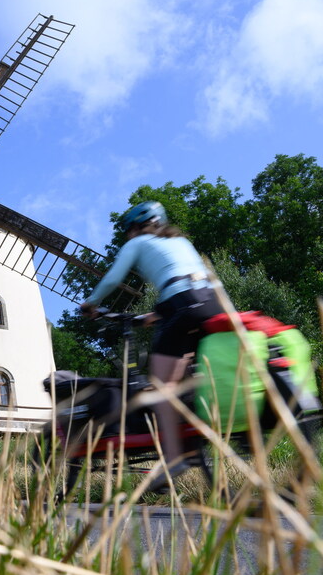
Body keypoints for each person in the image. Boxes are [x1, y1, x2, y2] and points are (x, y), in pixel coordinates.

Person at [79, 200, 222, 492]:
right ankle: (196, 433)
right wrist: (156, 315)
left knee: (160, 385)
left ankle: (174, 457)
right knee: (186, 376)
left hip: (181, 304)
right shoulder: (180, 241)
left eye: (128, 231)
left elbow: (114, 278)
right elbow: (188, 279)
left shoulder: (138, 242)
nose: (128, 236)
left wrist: (92, 303)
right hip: (210, 301)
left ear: (135, 227)